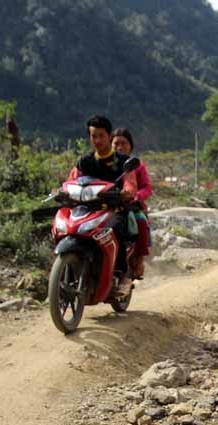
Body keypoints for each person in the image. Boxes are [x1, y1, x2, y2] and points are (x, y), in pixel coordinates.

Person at [65, 115, 138, 298]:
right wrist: (61, 191)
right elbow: (71, 180)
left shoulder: (122, 162)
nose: (97, 140)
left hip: (114, 209)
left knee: (114, 228)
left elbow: (130, 184)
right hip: (86, 210)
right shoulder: (84, 162)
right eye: (93, 136)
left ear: (108, 136)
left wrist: (126, 192)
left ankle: (122, 275)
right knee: (67, 227)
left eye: (101, 136)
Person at [111, 127, 153, 280]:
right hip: (108, 205)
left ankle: (140, 261)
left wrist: (136, 196)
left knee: (140, 221)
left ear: (131, 145)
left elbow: (147, 187)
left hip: (132, 206)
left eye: (124, 143)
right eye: (116, 144)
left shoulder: (138, 166)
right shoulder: (106, 164)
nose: (120, 147)